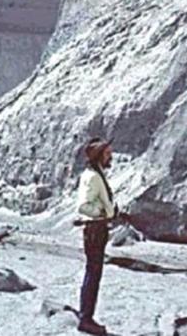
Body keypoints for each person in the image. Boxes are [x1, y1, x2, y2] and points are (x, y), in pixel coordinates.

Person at [74, 137, 125, 335]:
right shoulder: (93, 177)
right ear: (98, 156)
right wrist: (102, 213)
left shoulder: (95, 174)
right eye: (107, 153)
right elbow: (83, 205)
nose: (110, 156)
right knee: (93, 274)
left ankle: (86, 316)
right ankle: (86, 319)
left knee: (93, 273)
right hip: (95, 229)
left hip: (97, 230)